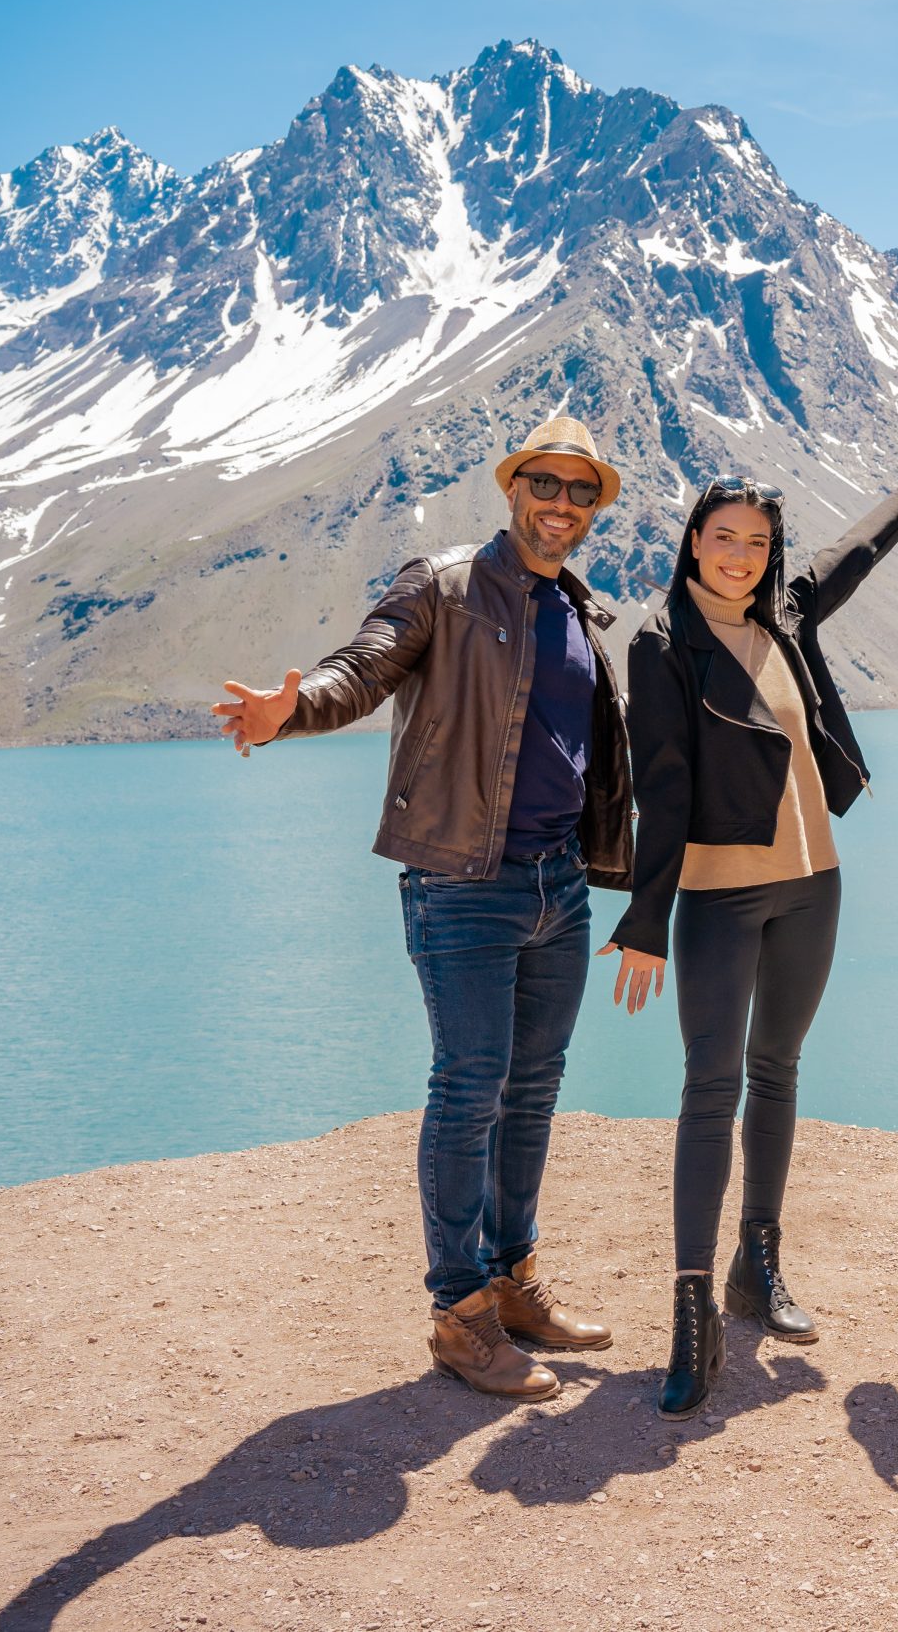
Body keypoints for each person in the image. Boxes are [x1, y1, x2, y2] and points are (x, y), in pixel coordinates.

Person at [210, 413, 631, 1402]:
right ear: (513, 486)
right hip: (460, 882)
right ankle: (459, 1316)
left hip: (556, 885)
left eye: (581, 492)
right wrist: (290, 710)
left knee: (532, 1089)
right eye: (547, 484)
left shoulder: (579, 611)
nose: (561, 504)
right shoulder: (441, 586)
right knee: (469, 1087)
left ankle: (512, 1277)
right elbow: (361, 669)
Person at [603, 471, 898, 1420]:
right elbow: (662, 787)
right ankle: (690, 1311)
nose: (741, 556)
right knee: (708, 1088)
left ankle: (756, 1268)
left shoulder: (784, 617)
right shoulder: (662, 640)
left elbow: (842, 563)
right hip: (719, 896)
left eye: (758, 542)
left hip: (814, 886)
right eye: (724, 537)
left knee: (780, 1071)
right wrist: (646, 921)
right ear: (692, 541)